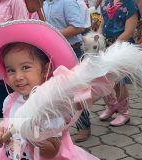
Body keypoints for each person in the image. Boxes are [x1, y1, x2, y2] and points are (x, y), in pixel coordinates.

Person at [0, 20, 99, 160]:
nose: (18, 77)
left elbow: (52, 151)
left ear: (45, 70)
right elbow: (6, 123)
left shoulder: (50, 107)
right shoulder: (10, 101)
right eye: (11, 70)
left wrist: (31, 135)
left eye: (26, 67)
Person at [43, 0, 92, 143]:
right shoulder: (45, 4)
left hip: (72, 50)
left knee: (77, 91)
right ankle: (59, 127)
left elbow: (78, 26)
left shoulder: (67, 1)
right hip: (52, 52)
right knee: (57, 91)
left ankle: (84, 127)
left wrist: (52, 34)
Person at [98, 0, 139, 126]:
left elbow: (128, 32)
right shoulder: (106, 3)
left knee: (119, 81)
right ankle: (112, 106)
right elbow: (102, 24)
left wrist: (114, 47)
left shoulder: (130, 4)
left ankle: (124, 113)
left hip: (121, 47)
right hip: (105, 45)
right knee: (104, 79)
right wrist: (97, 39)